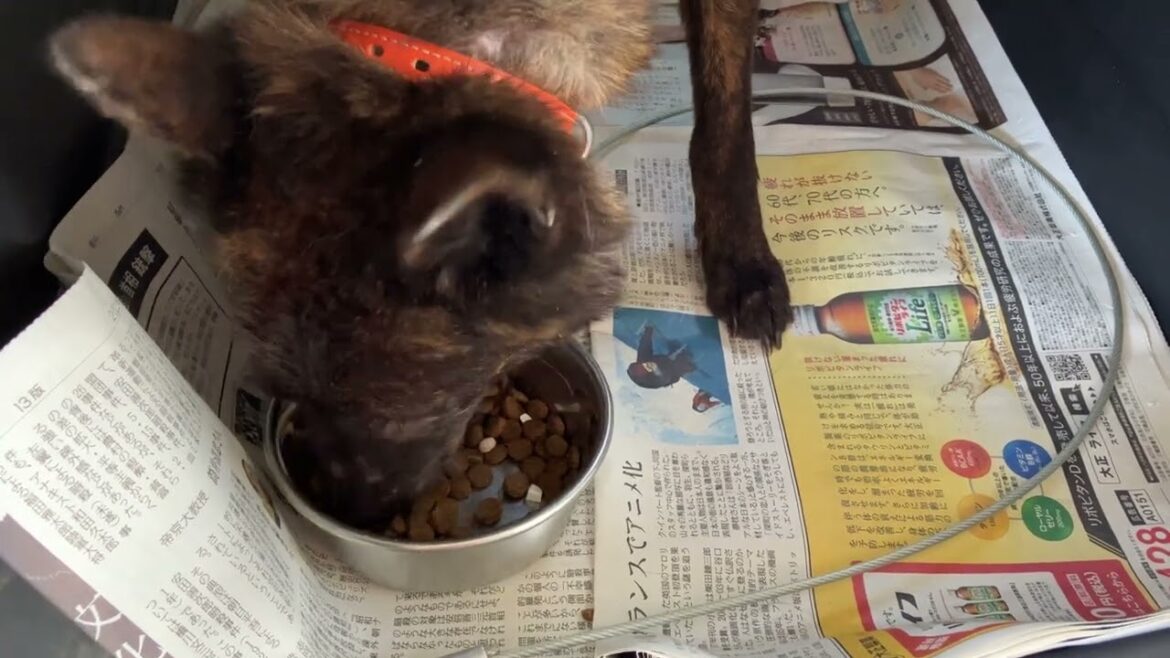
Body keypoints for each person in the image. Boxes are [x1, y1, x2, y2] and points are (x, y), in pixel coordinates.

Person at [626, 323, 696, 389]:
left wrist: (648, 332)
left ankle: (649, 331)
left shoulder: (641, 363)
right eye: (640, 369)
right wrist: (657, 368)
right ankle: (688, 366)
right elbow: (664, 377)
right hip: (669, 374)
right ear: (641, 375)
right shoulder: (653, 380)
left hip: (659, 363)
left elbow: (644, 348)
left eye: (639, 366)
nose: (642, 366)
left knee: (644, 354)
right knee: (682, 363)